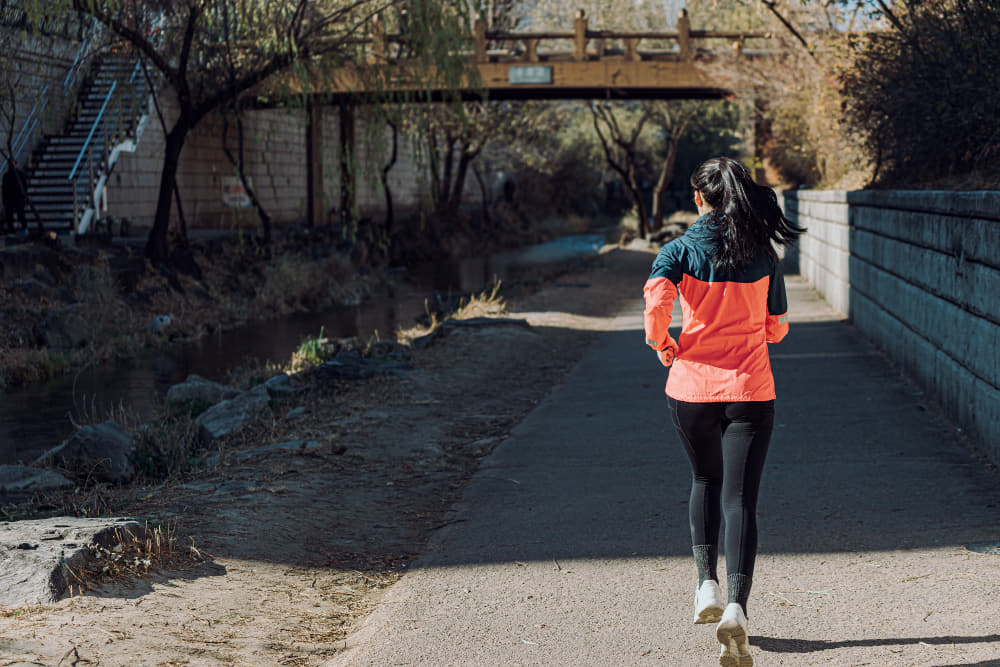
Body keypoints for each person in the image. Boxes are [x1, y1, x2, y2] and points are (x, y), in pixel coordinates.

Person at [643, 156, 804, 667]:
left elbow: (653, 306)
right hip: (752, 391)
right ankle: (737, 606)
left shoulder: (678, 250)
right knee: (741, 500)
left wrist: (665, 345)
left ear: (699, 198)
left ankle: (706, 586)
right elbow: (777, 327)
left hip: (691, 389)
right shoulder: (762, 252)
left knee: (704, 483)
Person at [2, 159, 28, 234]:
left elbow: (24, 186)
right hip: (9, 199)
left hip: (18, 198)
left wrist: (23, 196)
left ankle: (24, 228)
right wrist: (4, 200)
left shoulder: (20, 174)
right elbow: (4, 189)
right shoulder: (6, 176)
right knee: (9, 216)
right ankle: (11, 231)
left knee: (21, 214)